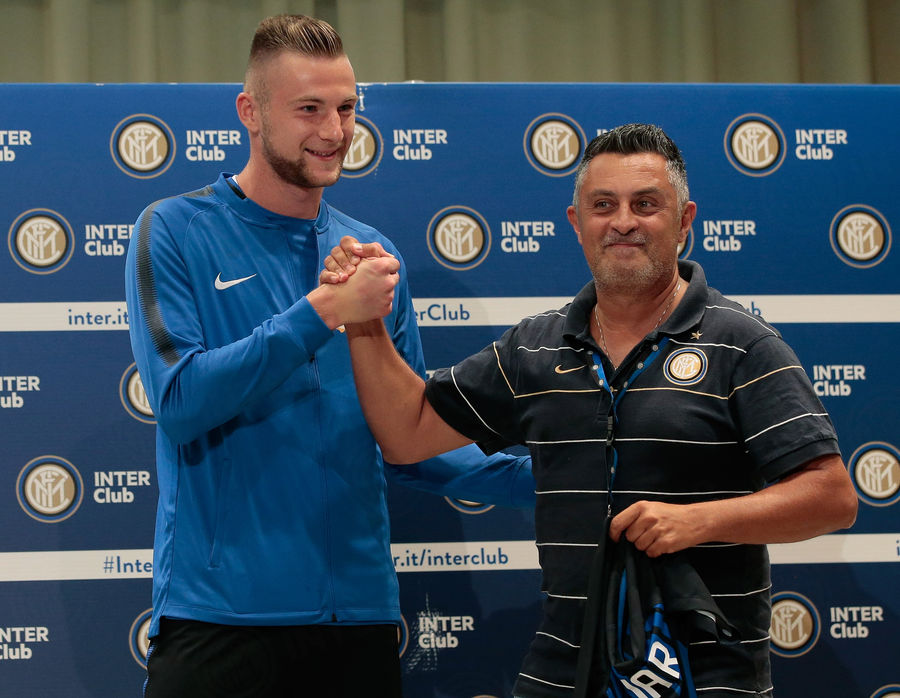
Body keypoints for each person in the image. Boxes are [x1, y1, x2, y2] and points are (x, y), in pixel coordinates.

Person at [329, 123, 859, 697]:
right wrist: (362, 318)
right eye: (603, 205)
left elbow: (832, 498)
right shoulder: (534, 348)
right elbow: (407, 433)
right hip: (564, 669)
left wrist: (699, 521)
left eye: (646, 204)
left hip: (704, 675)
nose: (623, 222)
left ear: (684, 221)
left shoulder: (743, 344)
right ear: (577, 222)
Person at [124, 14, 532, 698]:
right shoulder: (173, 228)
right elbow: (180, 402)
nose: (336, 131)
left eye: (346, 108)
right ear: (250, 112)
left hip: (357, 623)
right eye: (309, 109)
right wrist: (322, 311)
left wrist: (557, 481)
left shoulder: (374, 256)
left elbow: (409, 442)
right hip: (217, 620)